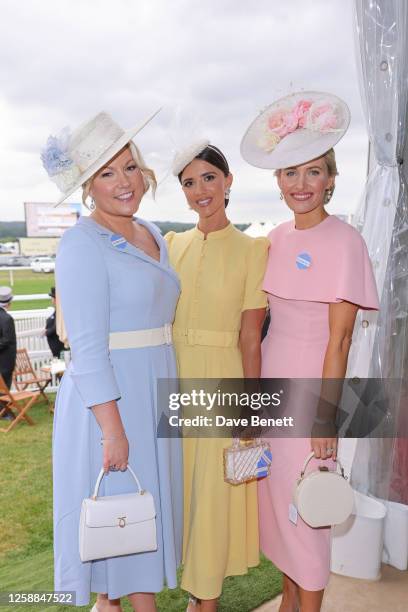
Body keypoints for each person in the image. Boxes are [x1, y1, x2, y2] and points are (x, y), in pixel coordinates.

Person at [241, 92, 380, 612]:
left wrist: (326, 419)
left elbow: (340, 340)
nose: (301, 184)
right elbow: (257, 330)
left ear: (331, 178)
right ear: (277, 182)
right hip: (273, 389)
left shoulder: (347, 242)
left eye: (314, 172)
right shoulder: (273, 240)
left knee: (312, 512)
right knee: (280, 513)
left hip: (314, 395)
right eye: (290, 173)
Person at [41, 110, 182, 611]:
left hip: (152, 394)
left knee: (133, 533)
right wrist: (114, 429)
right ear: (88, 185)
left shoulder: (152, 232)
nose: (124, 182)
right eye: (107, 172)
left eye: (129, 167)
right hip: (113, 406)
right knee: (124, 538)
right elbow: (88, 347)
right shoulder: (81, 243)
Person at [165, 141, 269, 612]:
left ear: (228, 182)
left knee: (210, 494)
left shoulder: (254, 250)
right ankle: (192, 592)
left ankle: (206, 602)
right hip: (174, 378)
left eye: (209, 177)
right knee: (181, 489)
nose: (200, 190)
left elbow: (251, 338)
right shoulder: (171, 245)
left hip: (222, 382)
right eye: (189, 182)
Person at [0, 286, 17, 419]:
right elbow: (6, 340)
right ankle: (4, 413)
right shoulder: (7, 319)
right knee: (5, 386)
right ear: (9, 302)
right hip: (5, 360)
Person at [45, 287, 65, 357]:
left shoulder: (60, 311)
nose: (52, 300)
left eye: (52, 298)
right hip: (56, 350)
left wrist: (47, 332)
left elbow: (57, 326)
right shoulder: (57, 310)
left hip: (60, 348)